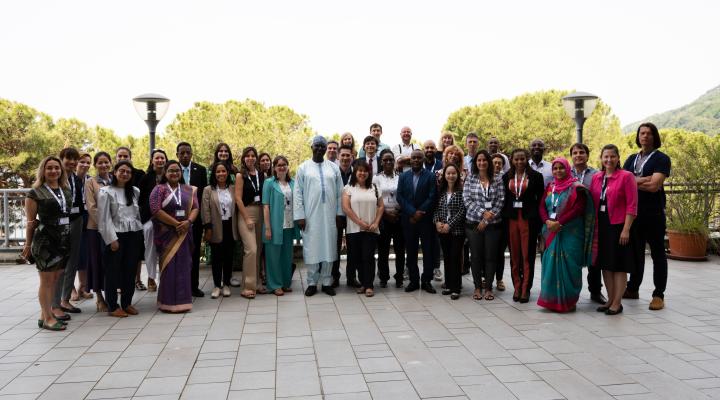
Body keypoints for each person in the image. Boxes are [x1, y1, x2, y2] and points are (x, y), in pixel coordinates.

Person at [623, 123, 671, 311]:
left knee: (658, 254)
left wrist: (633, 181)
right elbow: (621, 181)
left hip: (654, 214)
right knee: (636, 254)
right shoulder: (631, 158)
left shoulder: (662, 158)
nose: (645, 136)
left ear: (655, 137)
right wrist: (644, 179)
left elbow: (654, 186)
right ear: (638, 136)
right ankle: (633, 288)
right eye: (642, 133)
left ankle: (658, 294)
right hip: (633, 214)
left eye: (649, 133)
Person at [537, 158, 595, 312]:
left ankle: (569, 301)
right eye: (555, 168)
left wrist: (559, 222)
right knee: (549, 265)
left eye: (561, 168)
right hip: (550, 231)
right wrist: (547, 221)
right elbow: (542, 206)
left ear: (567, 169)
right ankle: (551, 300)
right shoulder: (550, 187)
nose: (557, 171)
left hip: (571, 232)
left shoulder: (576, 188)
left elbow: (579, 208)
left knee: (571, 266)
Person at [23, 156, 72, 331]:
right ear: (43, 170)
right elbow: (30, 222)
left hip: (63, 240)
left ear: (61, 170)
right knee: (46, 280)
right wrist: (28, 245)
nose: (53, 171)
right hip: (45, 241)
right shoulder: (35, 192)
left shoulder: (66, 189)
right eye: (49, 168)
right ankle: (48, 318)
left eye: (56, 168)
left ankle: (45, 315)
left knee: (56, 277)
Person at [590, 145, 638, 315]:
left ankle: (617, 303)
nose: (608, 160)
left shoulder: (626, 177)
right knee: (606, 265)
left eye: (612, 156)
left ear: (618, 158)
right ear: (601, 158)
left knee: (619, 266)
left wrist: (626, 229)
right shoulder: (596, 177)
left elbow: (632, 205)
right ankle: (610, 299)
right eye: (605, 157)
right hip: (600, 226)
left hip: (618, 226)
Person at [294, 136, 344, 297]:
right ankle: (312, 283)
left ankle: (327, 282)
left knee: (329, 248)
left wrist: (339, 213)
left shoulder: (333, 168)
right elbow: (298, 194)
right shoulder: (303, 168)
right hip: (310, 216)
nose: (320, 148)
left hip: (330, 217)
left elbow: (339, 193)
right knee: (312, 248)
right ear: (312, 147)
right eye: (318, 146)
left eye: (323, 146)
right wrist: (300, 215)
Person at [149, 160, 199, 313]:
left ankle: (184, 302)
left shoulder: (189, 190)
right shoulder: (159, 189)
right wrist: (176, 224)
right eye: (171, 170)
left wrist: (188, 221)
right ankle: (167, 302)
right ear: (165, 172)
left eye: (177, 170)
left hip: (184, 232)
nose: (174, 173)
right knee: (169, 267)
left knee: (184, 266)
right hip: (166, 234)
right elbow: (155, 210)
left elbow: (196, 207)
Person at [97, 161, 144, 317]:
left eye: (128, 172)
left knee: (130, 270)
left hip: (133, 234)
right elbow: (103, 219)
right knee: (112, 271)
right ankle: (112, 306)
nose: (125, 174)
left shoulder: (135, 191)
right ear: (115, 172)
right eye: (122, 171)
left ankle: (127, 303)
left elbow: (136, 215)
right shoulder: (106, 192)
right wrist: (112, 239)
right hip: (115, 235)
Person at [502, 149, 544, 303]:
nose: (519, 162)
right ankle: (517, 287)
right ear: (512, 160)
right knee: (515, 255)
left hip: (528, 219)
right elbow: (504, 198)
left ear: (527, 159)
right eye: (516, 159)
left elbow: (540, 200)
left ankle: (526, 288)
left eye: (522, 159)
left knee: (528, 255)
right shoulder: (506, 177)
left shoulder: (536, 176)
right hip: (511, 219)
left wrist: (540, 223)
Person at [464, 150, 505, 301]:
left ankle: (488, 288)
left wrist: (487, 219)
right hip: (473, 224)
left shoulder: (498, 178)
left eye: (484, 160)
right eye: (478, 160)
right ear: (475, 163)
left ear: (488, 162)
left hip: (493, 225)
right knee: (475, 257)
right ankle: (477, 287)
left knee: (490, 257)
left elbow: (501, 201)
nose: (481, 163)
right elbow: (467, 199)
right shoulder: (470, 178)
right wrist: (482, 213)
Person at [397, 149, 438, 293]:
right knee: (411, 250)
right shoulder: (403, 177)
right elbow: (400, 197)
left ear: (423, 160)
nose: (415, 160)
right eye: (413, 158)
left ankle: (426, 280)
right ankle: (413, 281)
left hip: (425, 220)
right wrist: (413, 213)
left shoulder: (431, 176)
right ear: (410, 160)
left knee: (428, 251)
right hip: (409, 220)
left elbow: (432, 197)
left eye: (418, 158)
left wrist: (420, 213)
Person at [342, 160, 384, 297]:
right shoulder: (348, 188)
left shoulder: (375, 187)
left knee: (368, 257)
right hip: (354, 229)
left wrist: (376, 222)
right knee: (357, 257)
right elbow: (346, 208)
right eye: (360, 170)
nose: (362, 173)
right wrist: (360, 222)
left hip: (371, 228)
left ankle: (369, 285)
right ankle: (363, 283)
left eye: (365, 171)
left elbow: (381, 206)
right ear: (355, 172)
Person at [569, 143, 605, 304]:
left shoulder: (597, 174)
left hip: (592, 221)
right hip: (570, 222)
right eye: (575, 153)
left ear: (587, 156)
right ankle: (569, 291)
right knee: (571, 257)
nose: (578, 155)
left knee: (594, 257)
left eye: (581, 152)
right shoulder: (564, 172)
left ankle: (595, 291)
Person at [52, 148, 84, 316]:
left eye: (74, 159)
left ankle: (65, 300)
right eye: (68, 159)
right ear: (61, 159)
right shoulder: (55, 178)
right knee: (59, 263)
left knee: (72, 261)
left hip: (76, 221)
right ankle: (54, 304)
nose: (72, 162)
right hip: (60, 223)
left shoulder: (77, 179)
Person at [262, 156, 301, 296]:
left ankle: (285, 283)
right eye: (279, 165)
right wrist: (267, 227)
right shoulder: (269, 183)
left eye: (284, 164)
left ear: (288, 166)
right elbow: (265, 206)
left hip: (289, 224)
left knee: (286, 256)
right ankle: (274, 285)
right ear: (274, 168)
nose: (282, 167)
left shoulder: (293, 183)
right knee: (273, 256)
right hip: (274, 225)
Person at [202, 161, 238, 299]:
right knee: (217, 258)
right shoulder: (208, 190)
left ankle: (227, 284)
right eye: (218, 172)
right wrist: (208, 227)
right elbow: (205, 210)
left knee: (229, 257)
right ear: (214, 174)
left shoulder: (233, 188)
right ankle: (217, 286)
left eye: (223, 171)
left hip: (230, 225)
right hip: (215, 226)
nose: (221, 174)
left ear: (227, 173)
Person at [177, 142, 208, 297]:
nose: (185, 155)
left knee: (194, 253)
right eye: (182, 153)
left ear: (191, 154)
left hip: (195, 219)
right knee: (178, 253)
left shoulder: (200, 170)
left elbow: (203, 196)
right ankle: (180, 286)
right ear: (177, 155)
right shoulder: (173, 170)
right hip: (176, 220)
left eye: (188, 152)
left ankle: (193, 286)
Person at [234, 146, 266, 299]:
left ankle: (258, 283)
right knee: (251, 250)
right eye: (248, 156)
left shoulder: (262, 174)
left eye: (253, 155)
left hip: (260, 212)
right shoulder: (240, 175)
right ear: (243, 158)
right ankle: (247, 286)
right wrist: (246, 217)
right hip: (246, 212)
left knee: (258, 250)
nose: (251, 158)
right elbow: (238, 199)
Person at [85, 152, 113, 312]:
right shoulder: (91, 182)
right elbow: (91, 207)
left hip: (114, 229)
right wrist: (104, 225)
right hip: (96, 229)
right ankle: (99, 297)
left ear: (110, 163)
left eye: (106, 162)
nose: (103, 165)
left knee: (110, 263)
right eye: (100, 163)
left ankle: (111, 295)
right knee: (96, 262)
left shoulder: (114, 180)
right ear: (95, 165)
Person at [434, 164, 466, 300]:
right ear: (444, 175)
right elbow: (435, 209)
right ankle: (448, 285)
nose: (451, 176)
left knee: (455, 258)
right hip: (442, 230)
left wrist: (449, 225)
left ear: (457, 175)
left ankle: (456, 288)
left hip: (456, 231)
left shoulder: (461, 191)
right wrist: (437, 222)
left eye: (453, 173)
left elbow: (462, 211)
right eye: (448, 173)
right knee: (446, 258)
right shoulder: (440, 191)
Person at [138, 148, 167, 292]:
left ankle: (166, 277)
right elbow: (141, 201)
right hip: (150, 220)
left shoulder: (171, 176)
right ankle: (151, 277)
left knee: (166, 250)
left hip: (168, 220)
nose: (160, 160)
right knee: (151, 249)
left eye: (162, 158)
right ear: (152, 161)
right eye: (157, 158)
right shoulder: (145, 178)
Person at [376, 149, 405, 288]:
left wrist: (398, 212)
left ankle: (399, 276)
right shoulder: (376, 178)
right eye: (385, 160)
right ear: (381, 162)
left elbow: (405, 195)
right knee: (383, 250)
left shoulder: (401, 176)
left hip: (399, 217)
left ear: (394, 162)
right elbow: (374, 198)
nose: (388, 162)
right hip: (383, 218)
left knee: (400, 249)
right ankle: (383, 277)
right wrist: (386, 215)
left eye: (390, 160)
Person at [332, 145, 358, 288]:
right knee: (334, 247)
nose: (345, 158)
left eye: (348, 155)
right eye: (343, 155)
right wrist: (336, 212)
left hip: (352, 215)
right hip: (336, 216)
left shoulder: (356, 173)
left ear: (352, 157)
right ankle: (334, 276)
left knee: (352, 247)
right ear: (338, 156)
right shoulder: (333, 173)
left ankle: (351, 277)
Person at [73, 152, 93, 301]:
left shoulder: (90, 180)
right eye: (82, 162)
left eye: (88, 162)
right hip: (71, 219)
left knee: (84, 255)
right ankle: (70, 289)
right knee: (71, 256)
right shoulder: (68, 179)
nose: (85, 165)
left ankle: (83, 287)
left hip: (87, 220)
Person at [491, 152, 508, 291]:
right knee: (487, 251)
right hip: (486, 219)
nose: (497, 165)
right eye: (494, 162)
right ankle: (486, 277)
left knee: (499, 252)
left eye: (499, 163)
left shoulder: (506, 178)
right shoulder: (485, 177)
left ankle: (499, 279)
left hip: (502, 220)